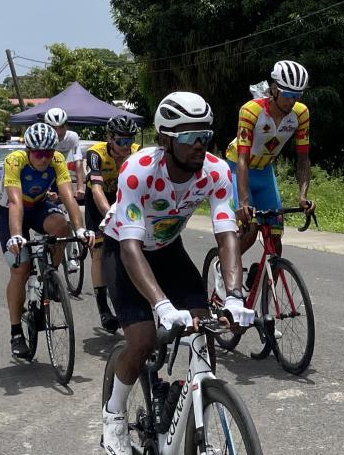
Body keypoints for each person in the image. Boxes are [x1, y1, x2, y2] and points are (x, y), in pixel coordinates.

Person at [101, 92, 255, 454]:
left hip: (168, 249)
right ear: (166, 140)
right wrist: (161, 305)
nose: (199, 145)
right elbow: (130, 247)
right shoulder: (138, 171)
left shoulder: (216, 172)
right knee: (141, 341)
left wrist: (234, 295)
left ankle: (200, 412)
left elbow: (227, 234)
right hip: (125, 250)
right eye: (189, 138)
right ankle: (114, 415)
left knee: (204, 328)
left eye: (205, 136)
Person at [0, 123, 95, 358]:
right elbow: (15, 203)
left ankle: (50, 274)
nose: (44, 159)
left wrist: (81, 229)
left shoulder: (57, 160)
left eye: (49, 153)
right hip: (9, 208)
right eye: (39, 154)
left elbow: (68, 196)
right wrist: (17, 236)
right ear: (29, 150)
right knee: (20, 269)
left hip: (38, 204)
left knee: (61, 225)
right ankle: (16, 332)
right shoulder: (15, 161)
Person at [225, 60, 314, 261]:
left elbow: (303, 159)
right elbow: (242, 158)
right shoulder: (251, 110)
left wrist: (303, 196)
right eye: (288, 95)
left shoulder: (301, 114)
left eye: (297, 96)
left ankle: (267, 281)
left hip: (265, 172)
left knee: (275, 235)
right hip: (237, 169)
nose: (292, 101)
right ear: (274, 90)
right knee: (250, 229)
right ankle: (226, 273)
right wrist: (244, 202)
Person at [83, 114, 141, 332]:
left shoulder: (136, 152)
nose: (126, 146)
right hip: (97, 201)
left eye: (129, 140)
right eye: (120, 141)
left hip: (122, 196)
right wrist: (110, 217)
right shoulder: (96, 154)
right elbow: (97, 190)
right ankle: (103, 308)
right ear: (109, 138)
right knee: (98, 251)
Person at [42, 107, 86, 202]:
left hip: (61, 173)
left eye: (62, 127)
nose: (59, 132)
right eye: (54, 128)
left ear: (66, 125)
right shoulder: (43, 139)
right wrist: (46, 189)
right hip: (45, 174)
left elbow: (78, 162)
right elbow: (40, 165)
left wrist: (80, 188)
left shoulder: (72, 137)